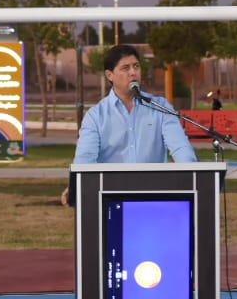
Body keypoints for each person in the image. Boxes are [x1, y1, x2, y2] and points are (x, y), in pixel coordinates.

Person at [61, 44, 196, 205]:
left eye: (136, 66)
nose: (133, 72)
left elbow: (181, 149)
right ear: (109, 75)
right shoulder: (96, 116)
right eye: (125, 68)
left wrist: (194, 178)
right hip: (111, 199)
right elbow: (85, 160)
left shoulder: (161, 107)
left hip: (155, 197)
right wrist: (77, 187)